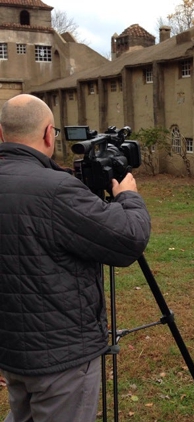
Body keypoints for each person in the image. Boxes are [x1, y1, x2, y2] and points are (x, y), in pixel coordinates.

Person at [0, 94, 151, 422]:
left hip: (12, 349)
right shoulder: (56, 191)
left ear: (1, 134)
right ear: (47, 134)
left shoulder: (48, 184)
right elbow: (129, 240)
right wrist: (128, 196)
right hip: (62, 356)